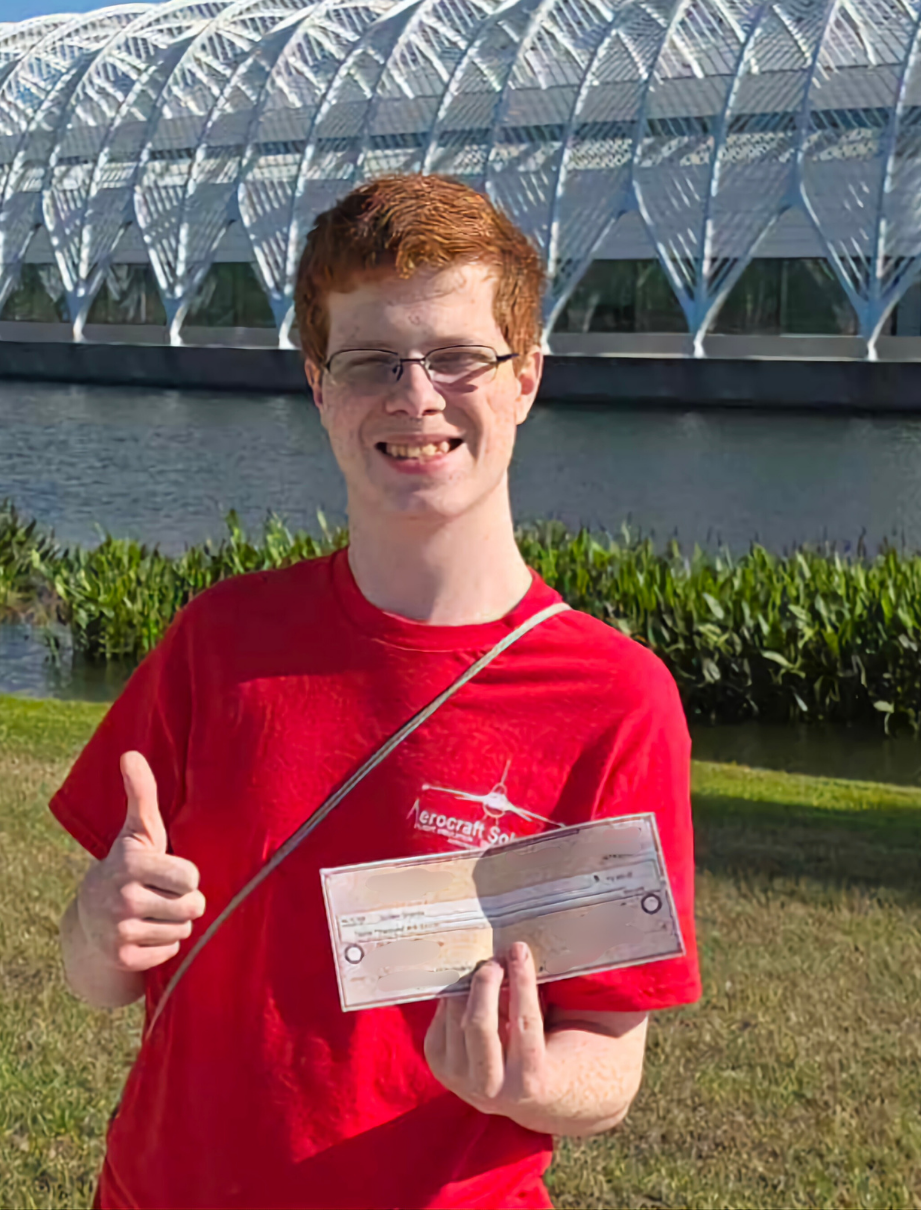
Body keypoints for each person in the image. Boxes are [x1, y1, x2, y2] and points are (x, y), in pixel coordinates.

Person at [51, 174, 700, 1210]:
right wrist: (100, 923)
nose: (414, 395)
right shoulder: (220, 640)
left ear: (526, 376)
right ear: (318, 385)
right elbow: (98, 976)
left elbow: (610, 1061)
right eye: (369, 361)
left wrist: (529, 1081)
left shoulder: (612, 698)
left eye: (457, 357)